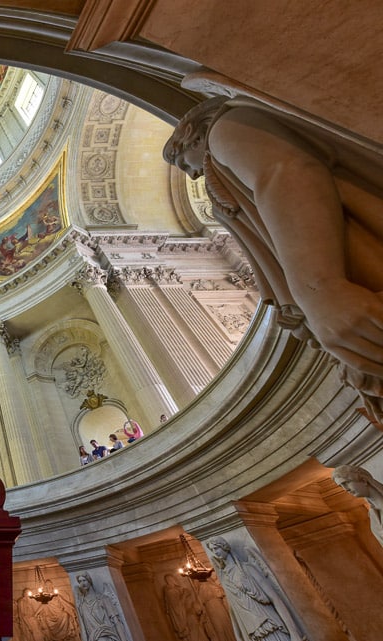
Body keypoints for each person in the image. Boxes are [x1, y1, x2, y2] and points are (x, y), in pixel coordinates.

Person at [163, 95, 383, 424]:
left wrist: (321, 289)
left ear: (192, 132)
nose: (192, 175)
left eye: (183, 162)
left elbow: (284, 172)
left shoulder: (227, 129)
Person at [205, 536, 304, 641]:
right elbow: (234, 610)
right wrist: (239, 636)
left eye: (216, 548)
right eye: (212, 550)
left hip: (269, 624)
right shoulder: (225, 579)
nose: (214, 552)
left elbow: (275, 599)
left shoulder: (247, 568)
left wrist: (294, 632)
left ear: (224, 547)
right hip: (253, 633)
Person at [332, 464, 383, 548]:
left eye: (346, 483)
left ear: (363, 480)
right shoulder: (373, 517)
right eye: (341, 486)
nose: (346, 489)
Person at [74, 573, 128, 641]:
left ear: (89, 581)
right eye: (80, 581)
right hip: (93, 637)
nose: (82, 583)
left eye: (84, 580)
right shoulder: (82, 605)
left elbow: (116, 621)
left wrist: (123, 639)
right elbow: (84, 628)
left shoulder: (103, 598)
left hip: (107, 634)